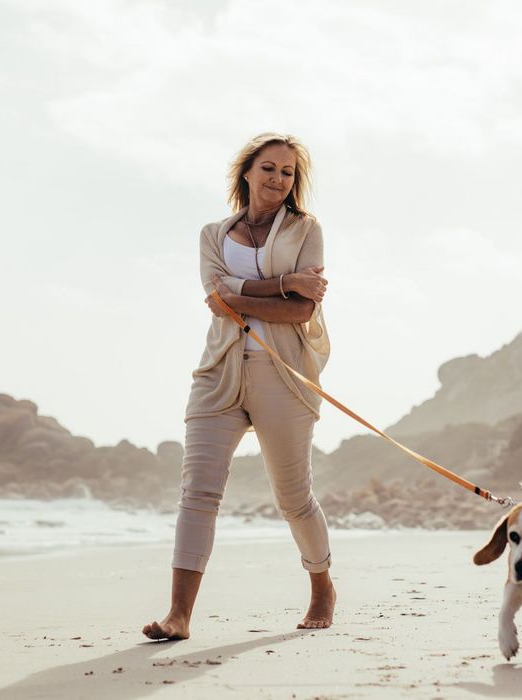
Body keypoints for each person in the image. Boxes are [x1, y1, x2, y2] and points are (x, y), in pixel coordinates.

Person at [143, 133, 335, 641]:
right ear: (246, 172)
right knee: (197, 493)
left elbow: (301, 310)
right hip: (219, 372)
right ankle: (179, 615)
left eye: (288, 172)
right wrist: (283, 283)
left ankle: (321, 586)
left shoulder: (305, 230)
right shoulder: (212, 234)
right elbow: (216, 300)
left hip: (284, 375)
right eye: (268, 168)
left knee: (294, 498)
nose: (277, 179)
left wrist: (249, 293)